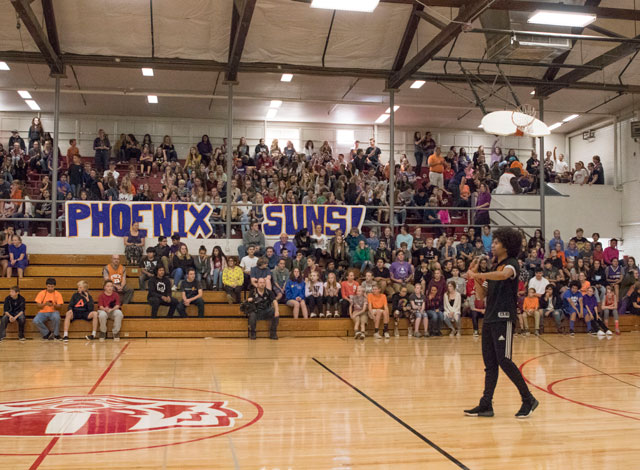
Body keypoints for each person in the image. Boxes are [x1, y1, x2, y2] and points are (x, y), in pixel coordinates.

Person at [465, 228, 538, 419]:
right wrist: (474, 277)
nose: (493, 246)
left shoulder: (511, 265)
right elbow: (482, 295)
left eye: (496, 242)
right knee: (490, 364)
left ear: (506, 245)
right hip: (490, 318)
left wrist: (480, 275)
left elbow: (505, 275)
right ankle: (486, 405)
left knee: (504, 360)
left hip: (504, 317)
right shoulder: (494, 268)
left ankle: (528, 399)